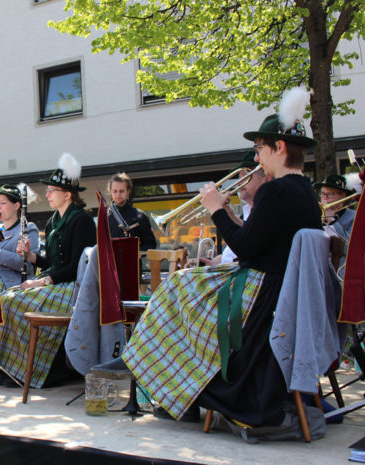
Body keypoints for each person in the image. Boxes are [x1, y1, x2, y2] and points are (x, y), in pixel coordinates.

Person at [95, 91, 323, 429]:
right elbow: (262, 241)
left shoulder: (278, 190)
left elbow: (245, 247)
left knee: (178, 292)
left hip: (262, 291)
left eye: (260, 148)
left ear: (280, 148)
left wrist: (216, 209)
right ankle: (150, 373)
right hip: (277, 289)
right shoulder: (304, 192)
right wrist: (229, 213)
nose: (258, 157)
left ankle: (148, 371)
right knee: (181, 290)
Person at [0, 154, 96, 388]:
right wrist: (30, 256)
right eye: (47, 190)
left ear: (67, 194)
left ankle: (33, 370)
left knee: (13, 303)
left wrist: (42, 282)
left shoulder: (81, 220)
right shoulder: (53, 222)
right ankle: (11, 367)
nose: (47, 194)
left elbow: (77, 267)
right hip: (57, 281)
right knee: (7, 299)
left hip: (74, 288)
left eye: (52, 190)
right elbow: (52, 262)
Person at [198, 152, 272, 266]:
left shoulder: (268, 209)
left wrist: (216, 209)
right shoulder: (247, 212)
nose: (239, 183)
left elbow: (246, 249)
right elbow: (233, 254)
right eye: (239, 177)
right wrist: (213, 262)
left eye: (246, 177)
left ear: (266, 178)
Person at [0, 184, 40, 289]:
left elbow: (27, 264)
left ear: (16, 206)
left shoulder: (29, 228)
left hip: (15, 287)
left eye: (3, 203)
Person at [315, 174, 356, 275]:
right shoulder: (315, 216)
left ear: (342, 195)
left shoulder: (354, 217)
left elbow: (350, 248)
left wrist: (330, 221)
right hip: (319, 272)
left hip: (342, 274)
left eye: (330, 194)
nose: (324, 198)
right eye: (322, 194)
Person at [107, 173, 157, 250]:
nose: (118, 195)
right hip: (111, 262)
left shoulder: (140, 216)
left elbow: (150, 244)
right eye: (115, 191)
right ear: (110, 191)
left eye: (121, 191)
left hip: (133, 261)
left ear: (128, 191)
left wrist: (137, 252)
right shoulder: (105, 217)